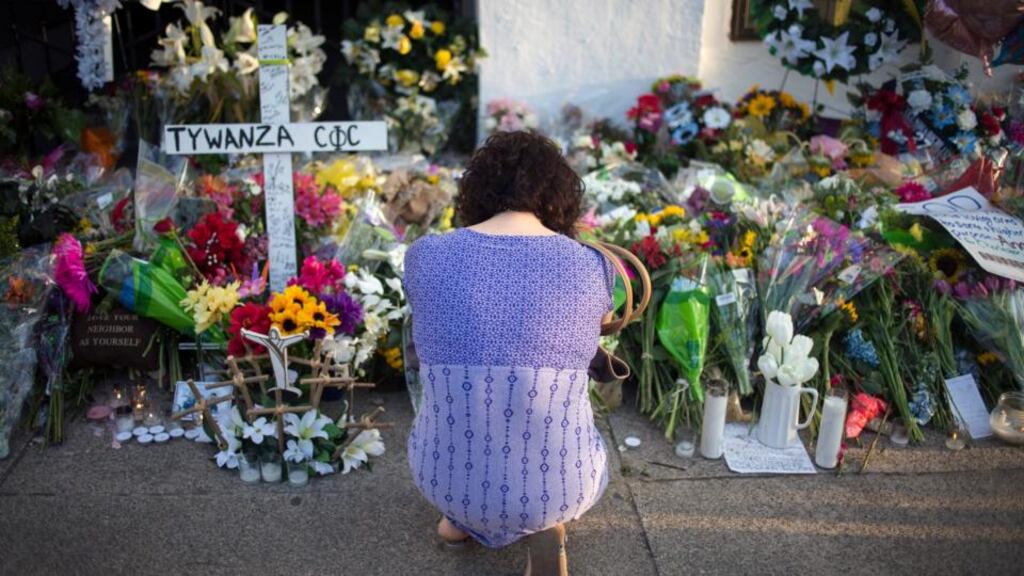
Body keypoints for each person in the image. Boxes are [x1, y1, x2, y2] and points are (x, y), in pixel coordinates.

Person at [403, 130, 614, 575]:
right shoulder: (589, 264)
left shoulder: (426, 256)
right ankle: (546, 520)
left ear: (477, 190)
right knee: (558, 423)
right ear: (559, 195)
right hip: (563, 484)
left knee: (468, 427)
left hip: (441, 478)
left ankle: (461, 516)